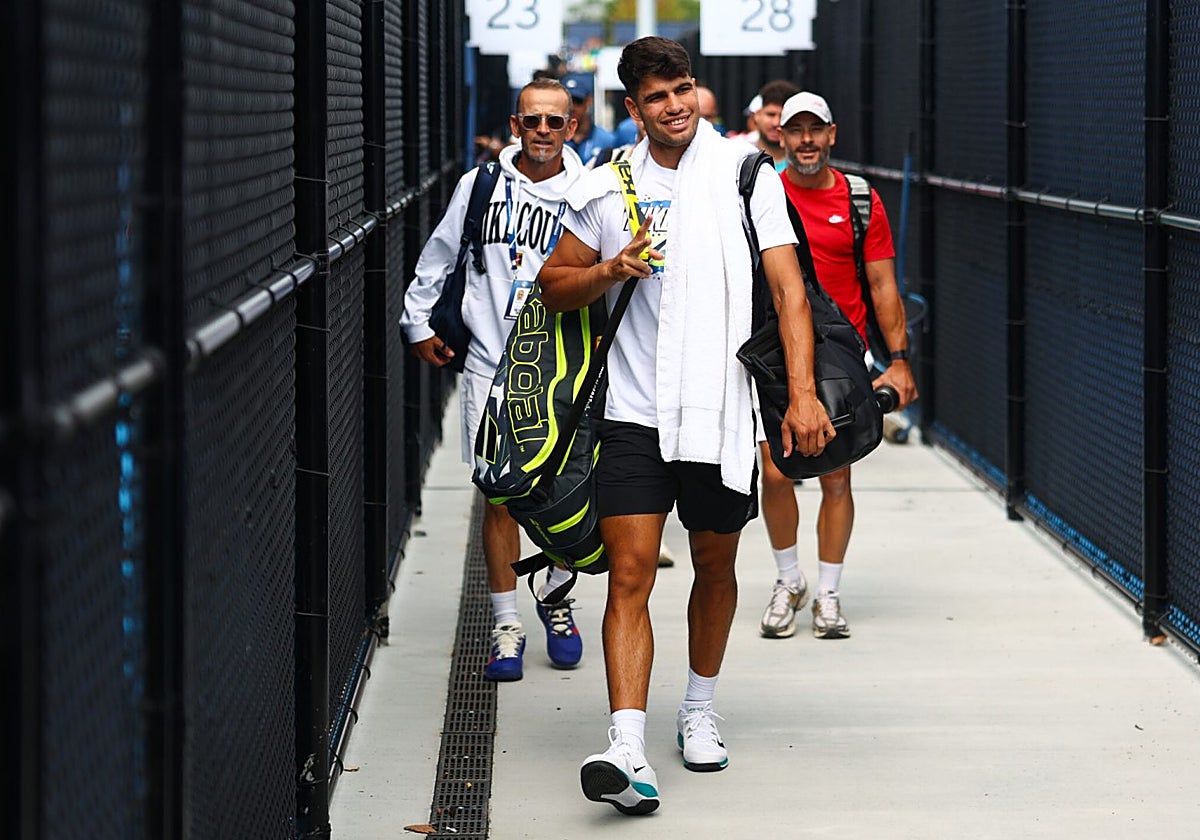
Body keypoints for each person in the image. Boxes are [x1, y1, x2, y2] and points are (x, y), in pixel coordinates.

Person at [538, 37, 834, 815]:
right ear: (632, 109)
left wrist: (801, 395)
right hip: (633, 414)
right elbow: (554, 287)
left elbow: (789, 291)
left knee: (714, 566)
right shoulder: (609, 186)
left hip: (719, 410)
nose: (675, 105)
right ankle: (626, 744)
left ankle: (699, 707)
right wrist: (608, 270)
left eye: (684, 89)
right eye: (658, 95)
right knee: (630, 574)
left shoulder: (746, 174)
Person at [400, 79, 588, 681]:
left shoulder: (588, 192)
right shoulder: (480, 186)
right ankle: (506, 623)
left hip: (559, 372)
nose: (542, 132)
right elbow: (439, 254)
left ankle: (557, 598)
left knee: (565, 491)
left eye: (554, 122)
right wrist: (415, 322)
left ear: (571, 127)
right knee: (500, 495)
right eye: (532, 121)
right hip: (490, 365)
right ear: (515, 124)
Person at [757, 91, 919, 641]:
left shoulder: (858, 200)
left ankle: (828, 593)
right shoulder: (763, 194)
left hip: (841, 355)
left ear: (832, 134)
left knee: (836, 473)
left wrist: (898, 361)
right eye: (795, 130)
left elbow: (882, 284)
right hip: (775, 353)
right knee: (776, 472)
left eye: (816, 129)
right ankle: (788, 581)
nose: (806, 140)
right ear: (781, 135)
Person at [563, 72, 618, 167]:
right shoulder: (556, 138)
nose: (572, 107)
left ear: (589, 101)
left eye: (578, 101)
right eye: (568, 102)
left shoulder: (607, 140)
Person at [753, 80, 800, 172]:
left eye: (783, 116)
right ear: (757, 115)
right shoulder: (738, 156)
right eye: (771, 114)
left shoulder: (806, 165)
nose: (776, 123)